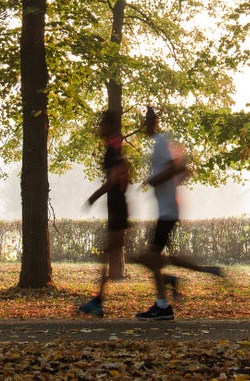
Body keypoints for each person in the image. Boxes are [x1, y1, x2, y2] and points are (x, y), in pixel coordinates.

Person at [133, 106, 224, 321]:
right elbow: (183, 169)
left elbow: (177, 167)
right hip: (166, 210)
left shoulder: (162, 141)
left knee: (150, 258)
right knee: (153, 258)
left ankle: (164, 303)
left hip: (167, 211)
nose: (144, 126)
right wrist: (170, 182)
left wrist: (156, 180)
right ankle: (188, 277)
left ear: (153, 122)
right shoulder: (160, 142)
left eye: (147, 121)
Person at [79, 109, 130, 318]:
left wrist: (94, 196)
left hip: (117, 208)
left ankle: (97, 301)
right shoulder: (116, 147)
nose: (99, 129)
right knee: (110, 252)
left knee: (113, 253)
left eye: (102, 124)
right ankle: (97, 300)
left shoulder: (113, 149)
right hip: (118, 207)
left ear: (108, 126)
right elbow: (125, 176)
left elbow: (116, 178)